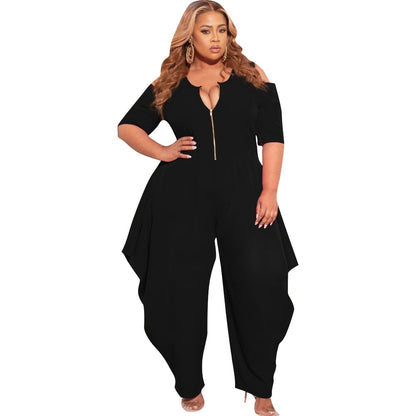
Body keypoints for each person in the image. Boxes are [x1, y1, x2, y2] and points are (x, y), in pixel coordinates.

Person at [117, 1, 298, 414]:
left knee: (261, 286)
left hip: (247, 196)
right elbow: (127, 127)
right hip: (180, 198)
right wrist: (163, 150)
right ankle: (188, 382)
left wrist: (270, 191)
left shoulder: (252, 76)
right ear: (190, 36)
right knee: (177, 289)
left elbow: (272, 136)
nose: (215, 38)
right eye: (205, 30)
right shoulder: (169, 82)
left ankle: (261, 388)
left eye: (221, 30)